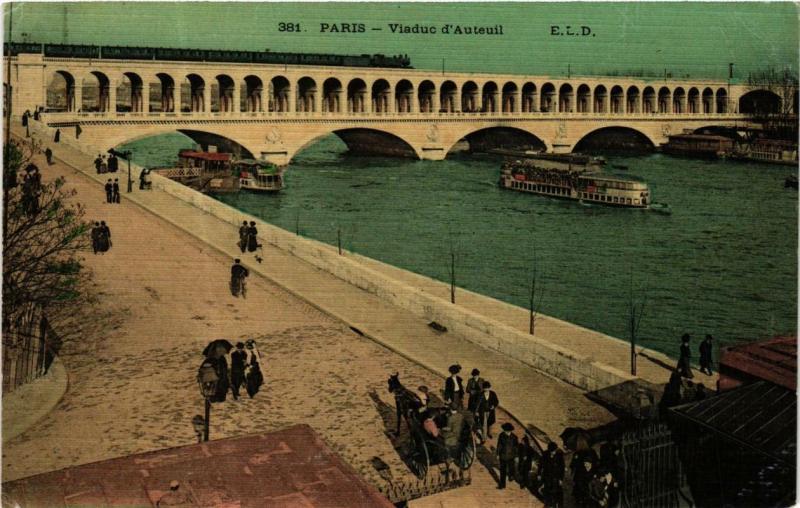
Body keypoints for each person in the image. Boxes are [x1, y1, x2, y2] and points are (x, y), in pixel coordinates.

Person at [538, 442, 565, 507]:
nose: (554, 452)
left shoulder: (559, 455)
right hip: (547, 476)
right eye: (552, 451)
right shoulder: (545, 454)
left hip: (556, 477)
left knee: (556, 493)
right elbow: (540, 465)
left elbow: (562, 468)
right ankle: (548, 504)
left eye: (554, 451)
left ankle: (555, 505)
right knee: (547, 491)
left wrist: (561, 479)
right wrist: (539, 474)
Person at [496, 422, 518, 489]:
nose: (506, 432)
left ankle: (511, 476)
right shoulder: (501, 435)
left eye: (507, 431)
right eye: (505, 431)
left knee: (511, 468)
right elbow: (499, 445)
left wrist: (516, 455)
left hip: (511, 456)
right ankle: (502, 485)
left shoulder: (514, 437)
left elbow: (516, 447)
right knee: (503, 471)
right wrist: (497, 454)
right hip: (503, 456)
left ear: (510, 431)